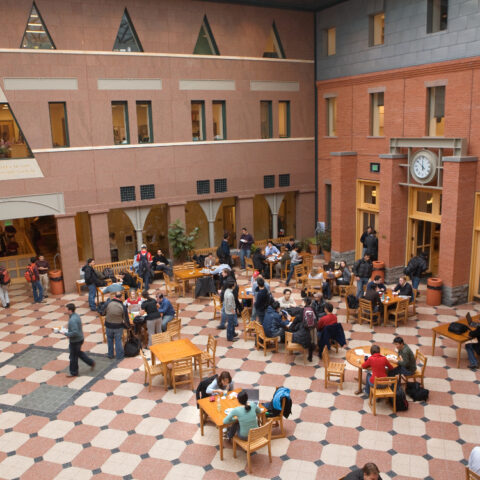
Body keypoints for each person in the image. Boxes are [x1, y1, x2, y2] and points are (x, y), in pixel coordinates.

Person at [63, 303, 95, 377]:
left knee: (73, 357)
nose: (65, 310)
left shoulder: (72, 320)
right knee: (78, 353)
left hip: (75, 341)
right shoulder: (75, 315)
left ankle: (73, 372)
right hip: (79, 339)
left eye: (66, 309)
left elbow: (75, 332)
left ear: (70, 310)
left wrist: (66, 333)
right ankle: (91, 362)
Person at [105, 292, 129, 360]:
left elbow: (102, 312)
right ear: (121, 297)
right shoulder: (122, 306)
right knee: (118, 340)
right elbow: (125, 319)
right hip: (118, 326)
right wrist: (128, 327)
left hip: (108, 325)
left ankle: (110, 354)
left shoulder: (108, 303)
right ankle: (119, 356)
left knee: (109, 340)